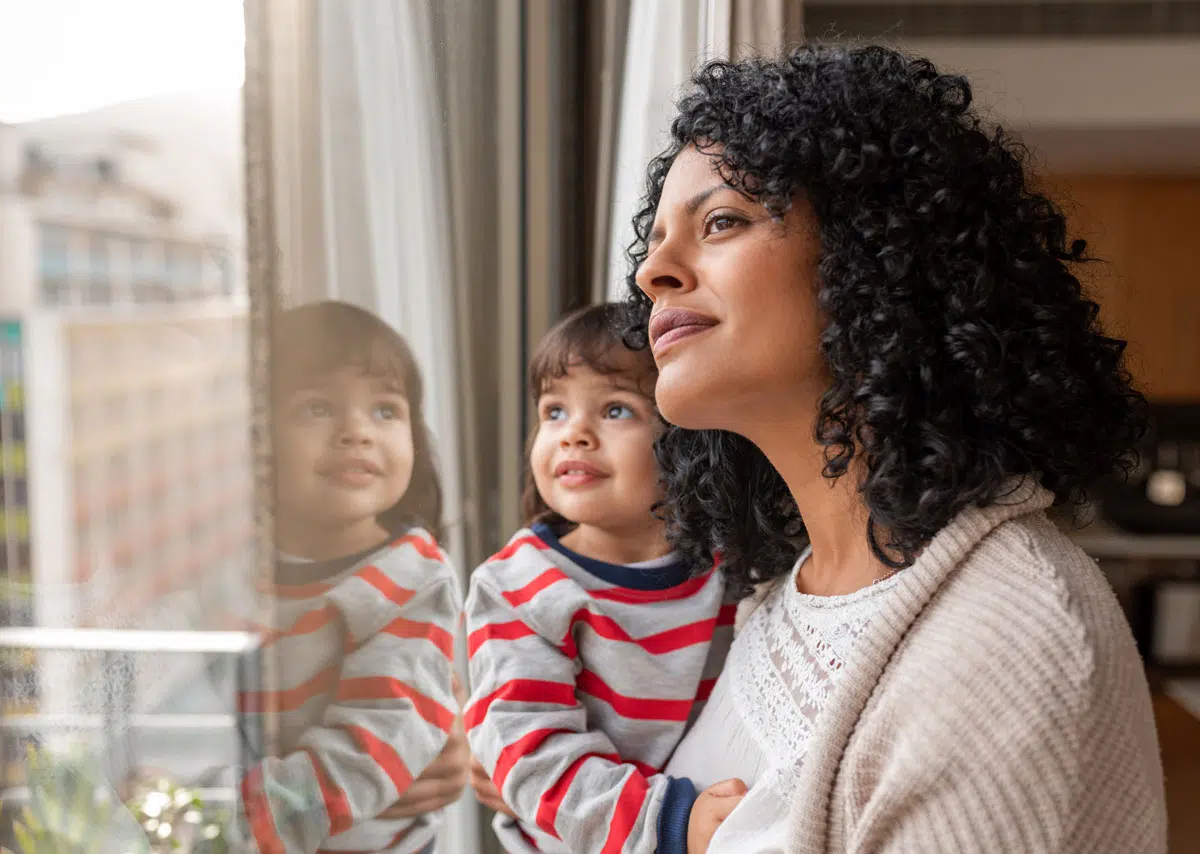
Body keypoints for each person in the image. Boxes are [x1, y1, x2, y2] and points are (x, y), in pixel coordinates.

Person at [618, 44, 1167, 853]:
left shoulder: (1005, 649)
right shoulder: (787, 597)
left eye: (722, 221)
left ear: (871, 257)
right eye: (658, 239)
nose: (653, 273)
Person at [463, 304, 738, 854]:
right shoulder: (518, 586)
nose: (575, 435)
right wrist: (668, 821)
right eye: (554, 412)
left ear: (688, 443)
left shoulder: (732, 567)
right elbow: (531, 754)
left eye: (615, 410)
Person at [234, 301, 463, 854]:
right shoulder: (232, 569)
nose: (355, 432)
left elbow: (375, 741)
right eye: (316, 409)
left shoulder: (411, 580)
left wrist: (233, 822)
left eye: (385, 411)